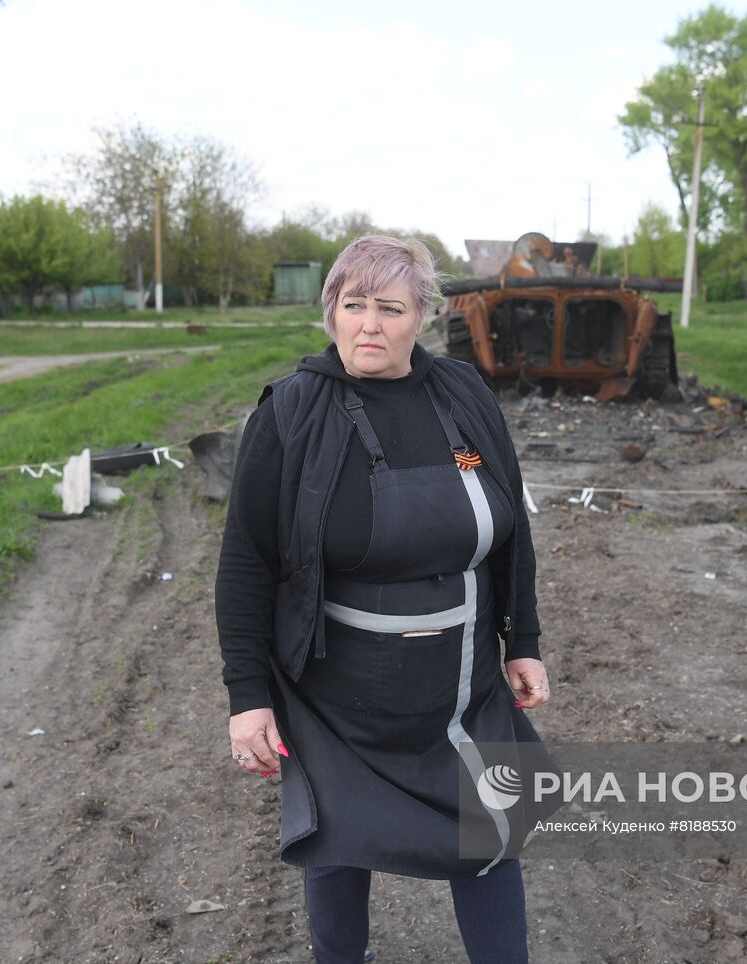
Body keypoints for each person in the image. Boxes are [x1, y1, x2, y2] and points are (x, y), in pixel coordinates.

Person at [215, 234, 554, 964]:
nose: (368, 323)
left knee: (492, 831)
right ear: (331, 310)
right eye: (352, 303)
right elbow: (245, 561)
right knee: (339, 839)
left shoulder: (463, 398)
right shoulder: (291, 412)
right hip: (339, 694)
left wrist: (522, 640)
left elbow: (510, 528)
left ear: (422, 317)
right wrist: (248, 696)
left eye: (390, 307)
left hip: (461, 682)